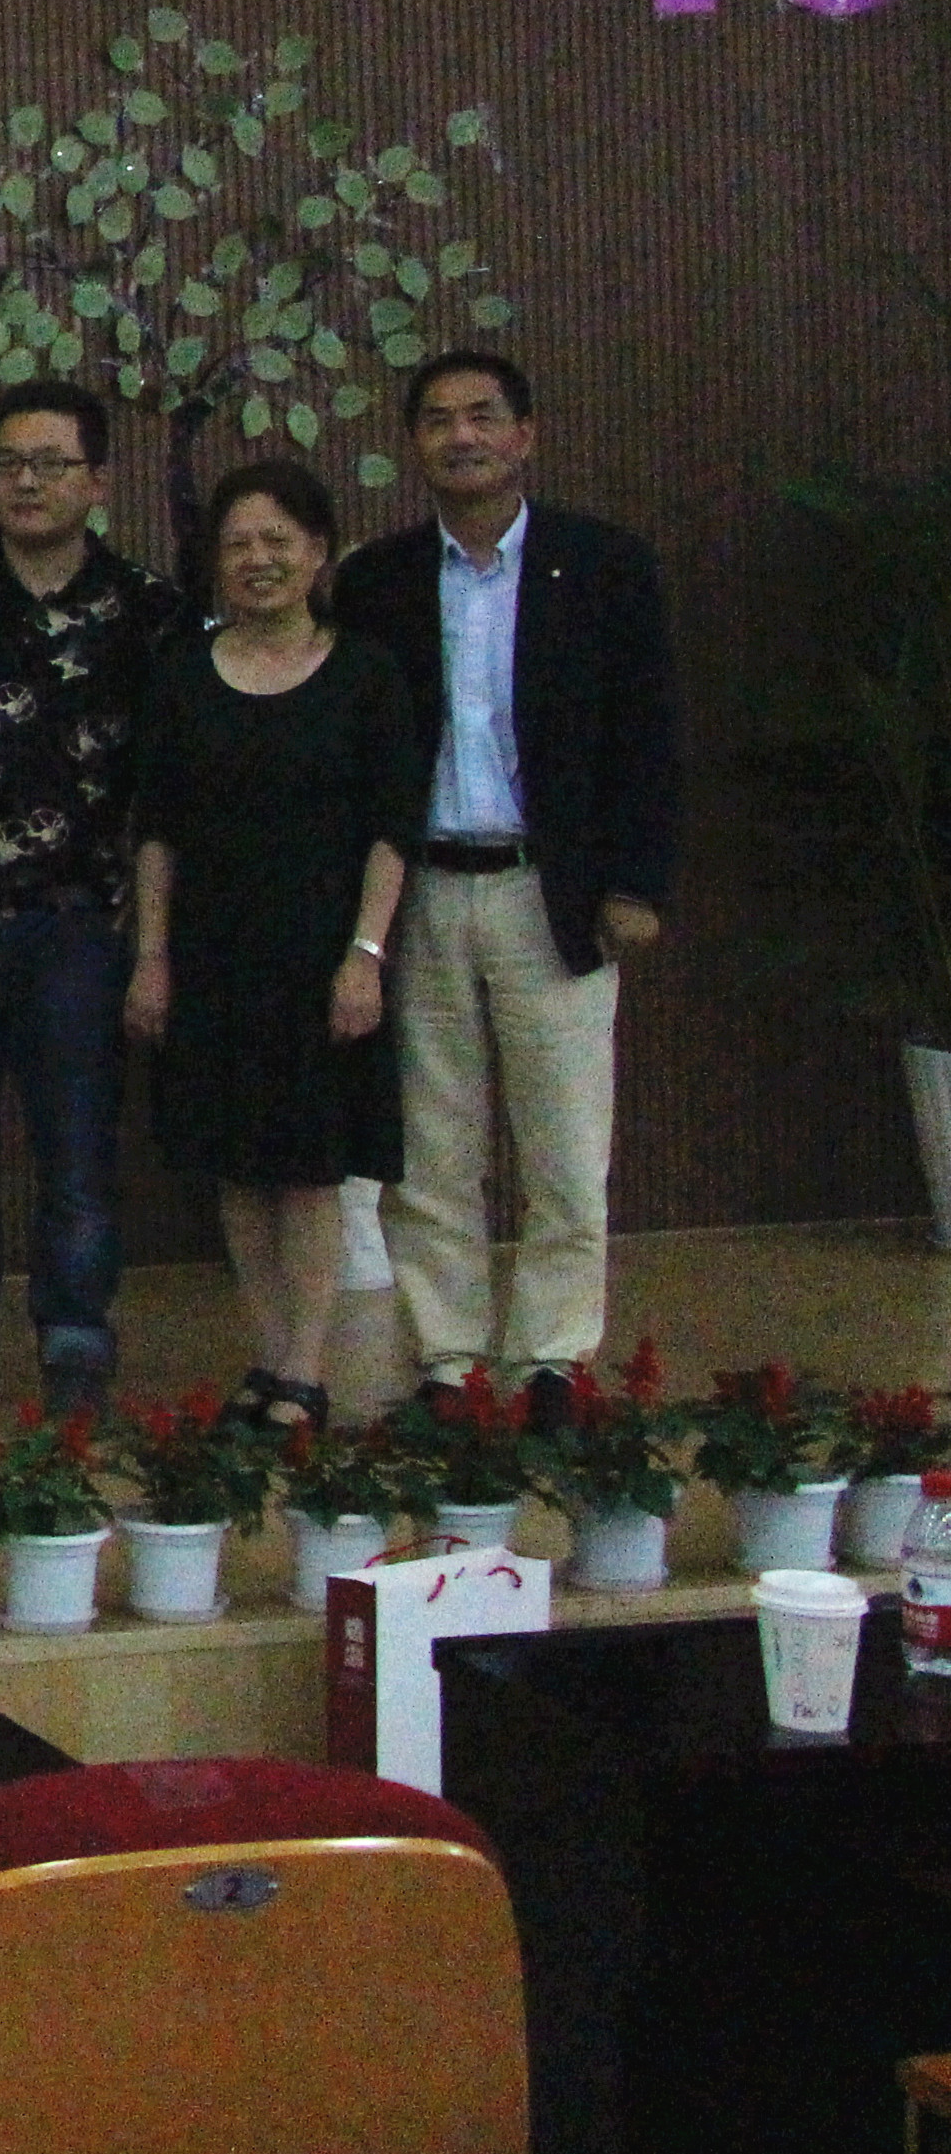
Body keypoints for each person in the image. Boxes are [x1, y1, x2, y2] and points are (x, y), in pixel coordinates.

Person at [336, 352, 680, 1421]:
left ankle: (553, 1359)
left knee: (565, 1143)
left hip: (553, 890)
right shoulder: (379, 581)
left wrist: (636, 882)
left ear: (525, 435)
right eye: (439, 420)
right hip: (424, 889)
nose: (462, 437)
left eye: (483, 416)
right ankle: (450, 1361)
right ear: (414, 445)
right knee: (432, 1147)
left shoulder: (604, 565)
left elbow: (648, 734)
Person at [0, 379, 187, 1423]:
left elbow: (167, 786)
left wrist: (150, 930)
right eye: (10, 462)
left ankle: (76, 1346)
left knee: (78, 1153)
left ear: (97, 481)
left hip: (79, 923)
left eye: (52, 463)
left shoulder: (148, 608)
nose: (27, 481)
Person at [125, 462, 419, 1437]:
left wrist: (365, 954)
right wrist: (153, 959)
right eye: (238, 543)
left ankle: (305, 1367)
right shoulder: (180, 673)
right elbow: (157, 831)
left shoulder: (368, 673)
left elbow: (391, 829)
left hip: (321, 958)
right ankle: (266, 1354)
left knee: (310, 1167)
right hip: (212, 955)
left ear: (319, 551)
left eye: (277, 540)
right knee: (237, 1167)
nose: (258, 559)